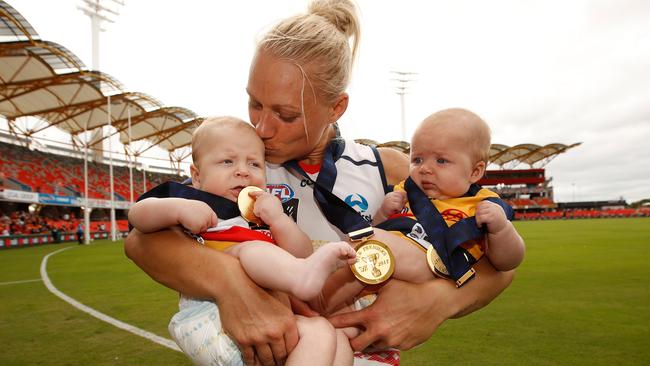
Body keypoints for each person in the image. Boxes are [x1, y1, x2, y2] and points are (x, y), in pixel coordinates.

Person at [124, 1, 514, 365]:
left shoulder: (390, 170)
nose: (262, 126)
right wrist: (230, 285)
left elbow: (497, 260)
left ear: (336, 107)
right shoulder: (239, 161)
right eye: (255, 102)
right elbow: (141, 241)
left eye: (286, 114)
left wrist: (439, 300)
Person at [128, 117, 356, 365]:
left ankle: (303, 278)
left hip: (273, 318)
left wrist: (279, 220)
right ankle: (302, 278)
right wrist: (177, 209)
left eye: (254, 164)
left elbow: (301, 253)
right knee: (252, 250)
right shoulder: (190, 198)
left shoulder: (262, 212)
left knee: (330, 337)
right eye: (227, 161)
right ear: (196, 175)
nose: (243, 170)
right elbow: (137, 216)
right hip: (213, 319)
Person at [312, 108, 526, 314]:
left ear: (475, 171)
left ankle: (318, 303)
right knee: (354, 262)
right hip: (382, 273)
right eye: (417, 159)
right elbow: (377, 227)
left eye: (441, 161)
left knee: (365, 245)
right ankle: (333, 316)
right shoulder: (406, 192)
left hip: (431, 262)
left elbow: (508, 262)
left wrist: (501, 229)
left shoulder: (482, 204)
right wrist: (383, 214)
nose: (424, 168)